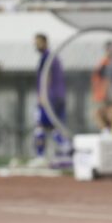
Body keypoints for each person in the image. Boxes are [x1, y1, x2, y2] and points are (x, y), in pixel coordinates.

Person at [28, 33, 70, 168]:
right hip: (57, 96)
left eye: (38, 42)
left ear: (45, 42)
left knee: (40, 126)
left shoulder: (47, 57)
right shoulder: (52, 56)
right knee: (54, 127)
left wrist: (43, 95)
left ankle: (41, 156)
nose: (36, 45)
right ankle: (67, 150)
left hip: (50, 98)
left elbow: (47, 76)